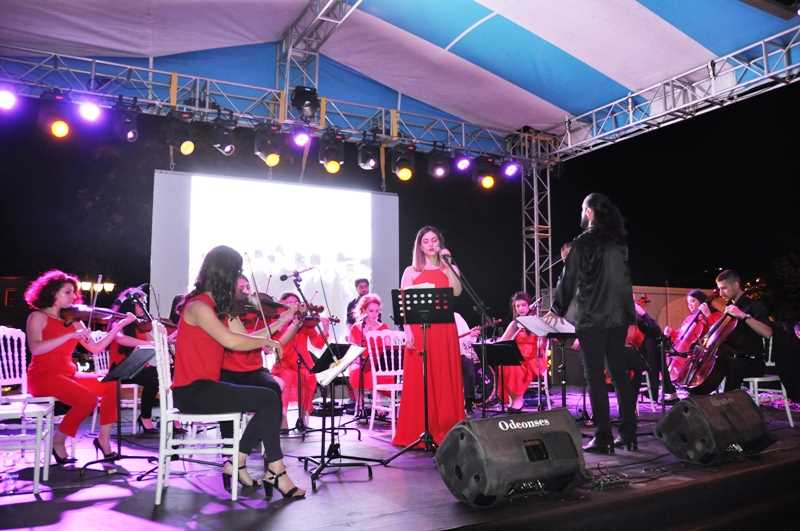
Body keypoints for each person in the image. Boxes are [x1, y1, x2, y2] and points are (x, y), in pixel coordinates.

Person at [172, 246, 305, 498]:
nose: (238, 281)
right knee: (269, 398)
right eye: (236, 273)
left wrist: (278, 326)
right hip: (192, 392)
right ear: (224, 274)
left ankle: (248, 464)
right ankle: (270, 469)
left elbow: (245, 337)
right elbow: (231, 341)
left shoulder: (218, 308)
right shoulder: (198, 307)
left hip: (207, 387)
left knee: (269, 396)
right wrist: (268, 342)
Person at [545, 193, 638, 454]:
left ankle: (603, 436)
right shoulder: (619, 243)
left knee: (595, 377)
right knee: (619, 375)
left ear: (589, 212)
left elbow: (569, 277)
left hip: (592, 319)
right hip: (618, 318)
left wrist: (557, 308)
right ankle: (629, 434)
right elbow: (624, 283)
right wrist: (629, 317)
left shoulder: (583, 242)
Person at [24, 270, 137, 464]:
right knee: (87, 399)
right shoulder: (37, 317)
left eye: (73, 292)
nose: (73, 296)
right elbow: (36, 348)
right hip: (43, 377)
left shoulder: (73, 320)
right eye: (67, 292)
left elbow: (96, 348)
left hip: (68, 374)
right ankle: (58, 441)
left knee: (111, 384)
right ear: (52, 293)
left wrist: (119, 327)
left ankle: (103, 439)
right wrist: (69, 336)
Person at [393, 226, 465, 447]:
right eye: (426, 241)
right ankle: (418, 430)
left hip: (445, 330)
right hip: (419, 330)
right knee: (419, 379)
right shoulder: (411, 271)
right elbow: (404, 306)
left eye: (434, 240)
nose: (431, 244)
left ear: (440, 243)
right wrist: (407, 332)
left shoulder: (449, 267)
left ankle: (446, 428)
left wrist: (449, 265)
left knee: (444, 377)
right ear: (420, 246)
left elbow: (456, 292)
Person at [219, 276, 295, 442]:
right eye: (241, 288)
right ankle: (229, 446)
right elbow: (244, 339)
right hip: (227, 370)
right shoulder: (224, 314)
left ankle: (267, 441)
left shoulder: (259, 316)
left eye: (248, 287)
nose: (247, 292)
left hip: (254, 370)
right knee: (226, 397)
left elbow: (268, 343)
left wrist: (291, 321)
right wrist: (280, 322)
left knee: (272, 388)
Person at [271, 292, 330, 433]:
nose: (294, 304)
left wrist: (325, 328)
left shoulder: (305, 323)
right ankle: (283, 417)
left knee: (309, 378)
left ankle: (303, 418)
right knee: (286, 377)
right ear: (282, 304)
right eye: (289, 301)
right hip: (284, 361)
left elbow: (318, 344)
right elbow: (276, 343)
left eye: (296, 302)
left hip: (302, 361)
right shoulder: (279, 322)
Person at [712, 269, 772, 391]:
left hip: (751, 362)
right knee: (715, 363)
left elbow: (768, 333)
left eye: (724, 288)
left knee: (733, 365)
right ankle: (699, 395)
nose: (720, 293)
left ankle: (729, 400)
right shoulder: (729, 308)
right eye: (719, 289)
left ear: (736, 285)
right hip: (731, 359)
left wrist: (743, 316)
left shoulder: (754, 305)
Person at [497, 292, 547, 412]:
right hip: (518, 356)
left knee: (515, 367)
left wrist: (541, 342)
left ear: (529, 306)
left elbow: (542, 343)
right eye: (517, 306)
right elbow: (503, 341)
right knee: (505, 364)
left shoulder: (536, 321)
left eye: (523, 305)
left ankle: (517, 401)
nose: (520, 308)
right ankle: (514, 399)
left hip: (533, 357)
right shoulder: (515, 324)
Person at [347, 293, 390, 402]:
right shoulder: (356, 327)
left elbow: (389, 350)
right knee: (356, 371)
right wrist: (356, 360)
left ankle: (378, 404)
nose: (375, 314)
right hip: (361, 363)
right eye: (371, 311)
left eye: (377, 311)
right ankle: (359, 404)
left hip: (379, 363)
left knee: (378, 373)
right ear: (364, 310)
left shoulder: (384, 327)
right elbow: (351, 349)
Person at [453, 312, 480, 415]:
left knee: (470, 373)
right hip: (448, 353)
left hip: (462, 352)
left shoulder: (457, 316)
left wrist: (472, 334)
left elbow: (466, 337)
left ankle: (468, 404)